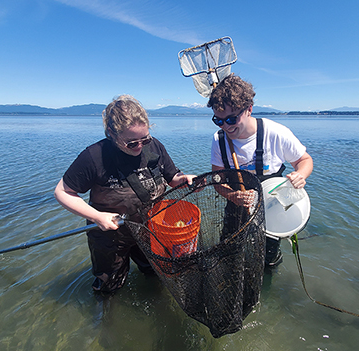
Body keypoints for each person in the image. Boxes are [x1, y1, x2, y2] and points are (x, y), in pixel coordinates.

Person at [55, 95, 196, 294]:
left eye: (144, 139)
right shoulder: (94, 156)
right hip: (110, 235)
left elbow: (172, 177)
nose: (139, 147)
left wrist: (183, 179)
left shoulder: (154, 146)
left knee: (154, 274)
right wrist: (96, 216)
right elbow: (62, 192)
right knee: (109, 286)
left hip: (149, 230)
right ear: (112, 133)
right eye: (131, 143)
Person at [207, 75, 313, 267]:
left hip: (272, 208)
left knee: (267, 257)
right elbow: (217, 181)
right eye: (219, 120)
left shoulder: (276, 133)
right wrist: (233, 195)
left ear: (249, 109)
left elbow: (304, 160)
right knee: (229, 251)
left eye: (231, 119)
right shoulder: (219, 139)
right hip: (236, 205)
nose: (226, 126)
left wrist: (300, 175)